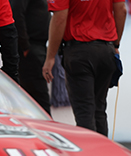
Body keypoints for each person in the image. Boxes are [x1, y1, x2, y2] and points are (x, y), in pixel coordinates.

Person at [42, 0, 126, 137]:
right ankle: (103, 153)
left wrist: (50, 56)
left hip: (79, 51)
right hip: (106, 49)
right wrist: (116, 44)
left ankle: (90, 155)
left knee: (85, 111)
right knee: (99, 109)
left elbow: (59, 18)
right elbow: (121, 10)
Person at [10, 0, 51, 114]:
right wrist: (25, 46)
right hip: (30, 48)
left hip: (39, 46)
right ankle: (46, 129)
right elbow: (16, 14)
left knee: (38, 97)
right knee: (39, 99)